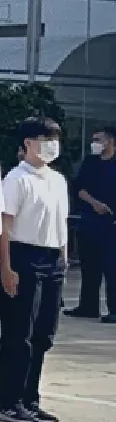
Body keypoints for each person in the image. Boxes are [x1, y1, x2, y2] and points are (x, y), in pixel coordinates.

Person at [0, 117, 71, 422]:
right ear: (27, 143)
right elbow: (5, 226)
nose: (52, 145)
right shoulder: (17, 178)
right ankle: (9, 402)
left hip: (53, 259)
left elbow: (61, 223)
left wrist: (63, 259)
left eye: (55, 139)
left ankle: (30, 399)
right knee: (19, 333)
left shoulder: (58, 179)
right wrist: (6, 267)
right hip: (24, 256)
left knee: (43, 334)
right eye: (45, 139)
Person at [69, 125, 116, 321]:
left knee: (111, 268)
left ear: (110, 141)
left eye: (98, 140)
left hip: (111, 224)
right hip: (89, 221)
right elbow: (79, 187)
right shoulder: (90, 162)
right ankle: (88, 306)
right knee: (89, 267)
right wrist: (94, 203)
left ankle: (114, 310)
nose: (94, 143)